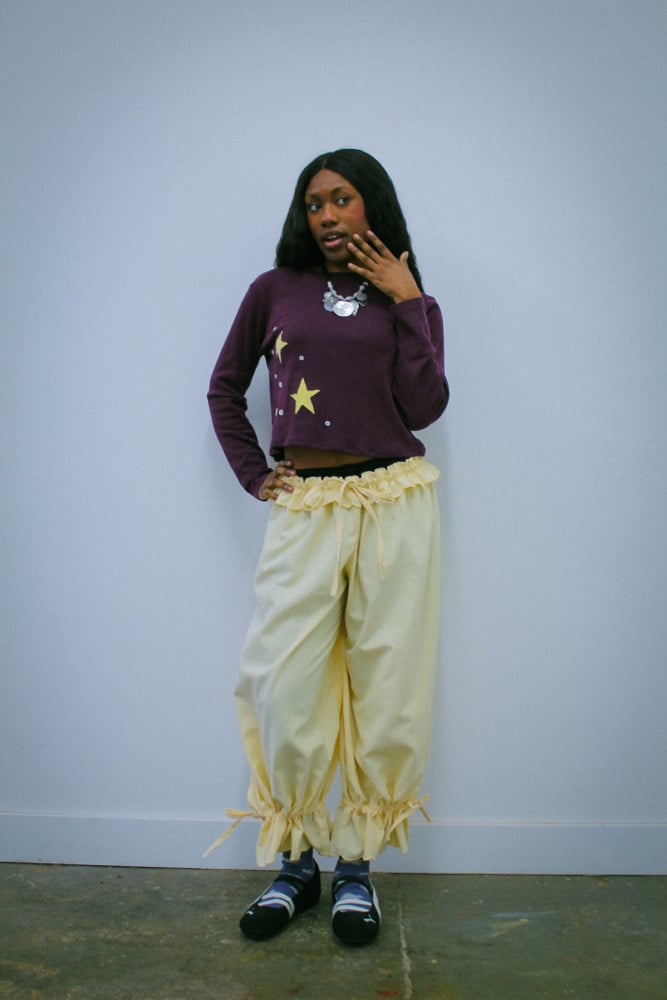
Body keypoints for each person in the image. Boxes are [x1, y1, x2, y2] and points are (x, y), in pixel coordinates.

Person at [207, 148, 449, 946]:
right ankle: (294, 863)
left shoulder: (405, 297)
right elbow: (223, 387)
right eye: (314, 204)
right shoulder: (273, 290)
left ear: (370, 203)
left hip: (392, 501)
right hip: (306, 504)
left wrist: (408, 299)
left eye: (342, 198)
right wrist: (255, 473)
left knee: (388, 681)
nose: (327, 215)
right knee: (284, 681)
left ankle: (355, 867)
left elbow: (425, 405)